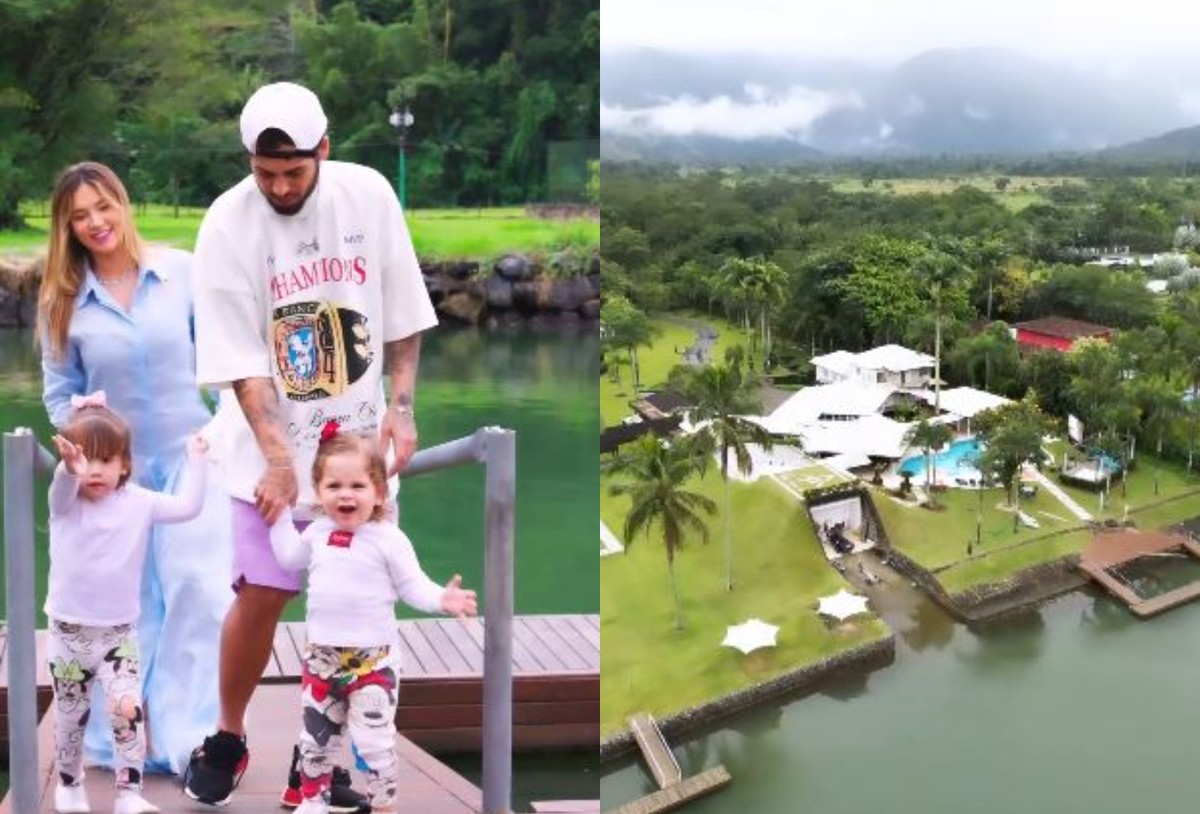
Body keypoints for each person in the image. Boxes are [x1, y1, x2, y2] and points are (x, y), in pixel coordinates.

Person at [184, 81, 438, 810]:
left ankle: (332, 760)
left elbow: (402, 312)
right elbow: (239, 359)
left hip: (358, 456)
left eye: (294, 171)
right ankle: (229, 733)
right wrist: (276, 456)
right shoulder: (226, 224)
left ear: (324, 149)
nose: (280, 186)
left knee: (365, 597)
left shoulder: (369, 197)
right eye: (266, 174)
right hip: (264, 448)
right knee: (263, 591)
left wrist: (403, 405)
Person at [38, 162, 234, 775]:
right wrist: (81, 426)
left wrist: (223, 425)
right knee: (124, 606)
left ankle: (189, 739)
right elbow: (58, 394)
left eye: (104, 207)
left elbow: (225, 359)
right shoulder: (62, 301)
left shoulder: (180, 271)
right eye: (79, 216)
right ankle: (114, 737)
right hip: (113, 479)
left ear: (123, 204)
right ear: (66, 228)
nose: (96, 223)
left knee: (198, 595)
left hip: (190, 459)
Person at [269, 424, 476, 814]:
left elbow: (413, 587)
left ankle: (383, 805)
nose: (345, 494)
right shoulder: (316, 532)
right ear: (318, 491)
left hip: (373, 663)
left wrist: (442, 598)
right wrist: (280, 518)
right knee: (315, 740)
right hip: (321, 660)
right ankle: (312, 801)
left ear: (379, 491)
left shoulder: (388, 539)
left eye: (357, 486)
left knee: (373, 742)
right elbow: (288, 559)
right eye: (333, 486)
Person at [45, 398, 209, 814]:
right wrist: (68, 468)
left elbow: (188, 507)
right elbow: (63, 486)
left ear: (125, 464)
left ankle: (128, 794)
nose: (94, 469)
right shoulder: (66, 504)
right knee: (70, 716)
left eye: (106, 459)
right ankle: (69, 782)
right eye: (87, 459)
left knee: (126, 712)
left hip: (119, 634)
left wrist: (197, 461)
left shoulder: (139, 501)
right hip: (70, 633)